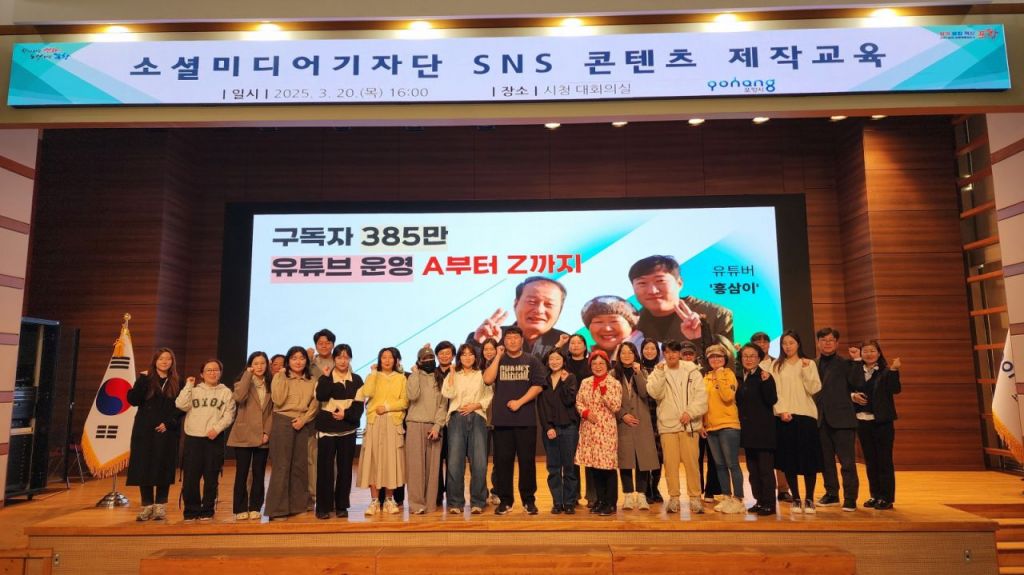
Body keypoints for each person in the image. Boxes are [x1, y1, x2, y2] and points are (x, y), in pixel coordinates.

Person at [483, 326, 546, 515]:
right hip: (502, 421)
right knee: (503, 463)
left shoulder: (532, 360)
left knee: (527, 462)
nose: (512, 341)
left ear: (521, 340)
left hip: (526, 420)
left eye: (515, 338)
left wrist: (519, 402)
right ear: (504, 341)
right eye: (508, 338)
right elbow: (487, 379)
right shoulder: (498, 360)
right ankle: (505, 501)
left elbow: (538, 386)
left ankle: (529, 500)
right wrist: (497, 356)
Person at [628, 255, 734, 360]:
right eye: (642, 283)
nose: (652, 290)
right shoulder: (632, 324)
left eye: (660, 281)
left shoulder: (717, 315)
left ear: (679, 283)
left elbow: (731, 363)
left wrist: (701, 339)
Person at [646, 340, 707, 515]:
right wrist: (659, 374)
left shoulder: (692, 371)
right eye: (667, 352)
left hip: (689, 425)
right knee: (670, 465)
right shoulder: (658, 371)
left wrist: (691, 412)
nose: (671, 355)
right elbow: (655, 393)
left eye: (674, 351)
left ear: (679, 353)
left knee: (692, 464)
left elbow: (701, 396)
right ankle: (674, 498)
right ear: (663, 354)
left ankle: (695, 498)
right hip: (667, 426)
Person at [127, 348, 183, 522]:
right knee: (144, 466)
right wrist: (143, 380)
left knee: (163, 466)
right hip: (144, 430)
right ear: (155, 361)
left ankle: (160, 506)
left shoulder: (178, 381)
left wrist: (169, 423)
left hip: (167, 430)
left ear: (172, 362)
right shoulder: (145, 379)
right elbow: (133, 400)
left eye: (168, 359)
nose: (165, 362)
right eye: (161, 359)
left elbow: (182, 407)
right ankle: (146, 506)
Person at [176, 359, 236, 521]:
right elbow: (180, 405)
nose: (212, 373)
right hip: (193, 439)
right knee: (191, 478)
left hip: (214, 439)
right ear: (202, 374)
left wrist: (217, 429)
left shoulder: (226, 392)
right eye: (209, 370)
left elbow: (229, 414)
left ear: (220, 373)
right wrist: (188, 386)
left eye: (216, 370)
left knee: (211, 477)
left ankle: (207, 510)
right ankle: (191, 510)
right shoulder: (194, 390)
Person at [772, 330, 823, 514]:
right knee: (789, 460)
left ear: (798, 344)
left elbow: (814, 388)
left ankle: (809, 498)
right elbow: (775, 392)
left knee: (809, 460)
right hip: (785, 417)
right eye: (784, 343)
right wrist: (781, 411)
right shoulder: (776, 365)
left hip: (806, 415)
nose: (788, 346)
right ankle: (796, 498)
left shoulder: (808, 363)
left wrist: (806, 370)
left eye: (791, 343)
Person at [266, 346, 318, 521]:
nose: (298, 362)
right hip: (282, 421)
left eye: (302, 358)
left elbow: (315, 404)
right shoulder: (280, 377)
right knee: (281, 466)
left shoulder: (312, 380)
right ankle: (278, 510)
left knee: (299, 466)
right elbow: (278, 399)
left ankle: (297, 506)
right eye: (294, 358)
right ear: (288, 361)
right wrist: (281, 376)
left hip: (302, 423)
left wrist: (304, 419)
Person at [314, 344, 364, 519]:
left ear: (350, 359)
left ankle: (342, 505)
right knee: (325, 469)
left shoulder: (357, 379)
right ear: (334, 359)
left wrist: (346, 415)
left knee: (345, 470)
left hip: (347, 429)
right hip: (327, 430)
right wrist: (326, 377)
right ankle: (323, 507)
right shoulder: (325, 377)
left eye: (346, 357)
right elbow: (321, 396)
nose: (343, 361)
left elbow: (359, 405)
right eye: (339, 357)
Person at [850, 340, 901, 510]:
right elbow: (849, 387)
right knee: (870, 460)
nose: (869, 354)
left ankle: (886, 498)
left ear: (879, 353)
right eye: (865, 351)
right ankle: (875, 495)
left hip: (882, 422)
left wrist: (894, 370)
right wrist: (853, 396)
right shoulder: (857, 370)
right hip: (862, 420)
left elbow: (895, 389)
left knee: (884, 460)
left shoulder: (886, 371)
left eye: (872, 351)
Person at [443, 344, 493, 514]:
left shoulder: (481, 374)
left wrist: (475, 406)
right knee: (454, 462)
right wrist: (451, 373)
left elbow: (489, 395)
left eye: (470, 354)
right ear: (459, 357)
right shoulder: (454, 374)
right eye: (463, 355)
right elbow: (448, 394)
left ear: (475, 357)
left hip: (477, 417)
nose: (467, 357)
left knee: (479, 462)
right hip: (457, 418)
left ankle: (478, 501)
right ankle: (455, 502)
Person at [814, 327, 860, 512]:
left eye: (831, 340)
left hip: (843, 420)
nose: (827, 343)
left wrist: (857, 361)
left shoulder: (846, 364)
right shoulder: (812, 364)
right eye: (823, 340)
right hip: (820, 420)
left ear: (837, 343)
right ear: (818, 343)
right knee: (826, 462)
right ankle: (832, 494)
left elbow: (857, 383)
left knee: (847, 462)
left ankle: (850, 498)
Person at [359, 347, 409, 515]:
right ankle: (374, 501)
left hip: (393, 422)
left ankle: (389, 499)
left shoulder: (401, 378)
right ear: (379, 360)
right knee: (373, 460)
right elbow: (367, 392)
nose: (387, 360)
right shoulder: (373, 376)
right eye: (384, 357)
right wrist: (373, 374)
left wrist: (387, 407)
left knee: (391, 461)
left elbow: (404, 402)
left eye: (390, 357)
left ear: (395, 360)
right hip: (375, 422)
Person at [469, 276, 570, 358]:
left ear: (560, 310)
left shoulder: (569, 344)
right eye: (532, 302)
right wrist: (480, 346)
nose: (539, 310)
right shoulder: (484, 338)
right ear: (516, 303)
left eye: (549, 304)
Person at [227, 351, 274, 520]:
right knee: (242, 473)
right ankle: (240, 508)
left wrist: (267, 432)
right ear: (250, 365)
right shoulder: (242, 381)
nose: (259, 366)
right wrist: (248, 375)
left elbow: (273, 411)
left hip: (262, 436)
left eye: (262, 363)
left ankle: (255, 506)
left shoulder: (271, 383)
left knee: (259, 473)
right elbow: (239, 397)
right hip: (244, 434)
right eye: (256, 363)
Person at [575, 350, 622, 517]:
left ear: (607, 365)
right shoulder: (585, 382)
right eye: (594, 364)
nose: (598, 366)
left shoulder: (614, 383)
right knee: (594, 466)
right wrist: (585, 412)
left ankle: (611, 503)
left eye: (601, 363)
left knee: (607, 467)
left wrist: (604, 392)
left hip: (606, 429)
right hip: (588, 428)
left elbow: (616, 406)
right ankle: (600, 500)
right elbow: (579, 401)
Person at [613, 342, 658, 511]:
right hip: (622, 421)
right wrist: (622, 414)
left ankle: (641, 495)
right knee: (625, 459)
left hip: (642, 420)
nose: (626, 356)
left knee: (642, 459)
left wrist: (638, 373)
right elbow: (610, 399)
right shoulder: (613, 374)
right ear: (619, 355)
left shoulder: (643, 371)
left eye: (630, 352)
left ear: (635, 355)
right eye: (623, 352)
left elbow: (645, 392)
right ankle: (627, 496)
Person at [701, 344, 745, 514]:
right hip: (711, 427)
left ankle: (738, 499)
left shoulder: (729, 374)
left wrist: (719, 374)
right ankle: (726, 497)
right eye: (712, 357)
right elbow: (703, 403)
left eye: (719, 356)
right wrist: (702, 424)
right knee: (719, 465)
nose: (715, 359)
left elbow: (727, 396)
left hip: (728, 425)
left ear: (725, 358)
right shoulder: (705, 378)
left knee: (732, 464)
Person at [750, 331, 793, 504]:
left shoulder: (778, 363)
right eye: (757, 342)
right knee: (762, 459)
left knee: (781, 453)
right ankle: (765, 493)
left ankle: (783, 489)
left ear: (769, 344)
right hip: (759, 418)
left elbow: (782, 389)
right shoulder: (748, 365)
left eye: (764, 342)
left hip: (777, 414)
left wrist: (783, 410)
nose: (761, 345)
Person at [737, 343, 779, 516]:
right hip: (748, 432)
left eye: (752, 356)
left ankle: (769, 503)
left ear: (759, 358)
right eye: (745, 356)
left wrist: (766, 382)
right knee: (753, 471)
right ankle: (759, 501)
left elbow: (772, 399)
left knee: (765, 470)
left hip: (763, 432)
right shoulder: (741, 377)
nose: (748, 359)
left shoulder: (764, 376)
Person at [537, 348, 579, 514]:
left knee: (569, 468)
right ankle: (557, 502)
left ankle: (569, 502)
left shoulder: (570, 377)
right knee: (553, 469)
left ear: (563, 361)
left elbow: (569, 401)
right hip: (550, 430)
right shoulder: (544, 380)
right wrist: (548, 427)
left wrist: (563, 382)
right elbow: (541, 407)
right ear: (548, 362)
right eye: (551, 359)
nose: (554, 362)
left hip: (569, 428)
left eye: (558, 359)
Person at [405, 346, 447, 515]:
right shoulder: (413, 376)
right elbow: (412, 395)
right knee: (415, 467)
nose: (429, 361)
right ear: (419, 361)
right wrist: (415, 373)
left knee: (433, 468)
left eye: (431, 358)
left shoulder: (440, 378)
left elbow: (443, 405)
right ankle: (416, 504)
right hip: (415, 424)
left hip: (434, 426)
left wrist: (437, 426)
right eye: (425, 359)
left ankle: (430, 503)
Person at [307, 328, 337, 505]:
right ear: (315, 345)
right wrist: (308, 359)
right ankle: (313, 495)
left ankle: (330, 495)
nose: (324, 346)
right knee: (312, 456)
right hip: (312, 415)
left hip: (332, 415)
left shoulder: (340, 362)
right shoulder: (310, 362)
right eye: (320, 343)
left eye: (327, 343)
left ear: (333, 344)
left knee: (332, 458)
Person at [639, 338, 665, 504]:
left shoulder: (663, 368)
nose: (649, 351)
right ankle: (646, 489)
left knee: (659, 455)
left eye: (653, 349)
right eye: (646, 348)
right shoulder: (637, 369)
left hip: (660, 417)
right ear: (641, 351)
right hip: (643, 417)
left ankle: (655, 488)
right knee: (645, 455)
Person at [480, 337, 502, 507]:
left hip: (500, 419)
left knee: (499, 460)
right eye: (485, 349)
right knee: (480, 460)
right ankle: (482, 492)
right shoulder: (477, 369)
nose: (488, 352)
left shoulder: (503, 367)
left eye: (491, 349)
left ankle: (496, 492)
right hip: (482, 420)